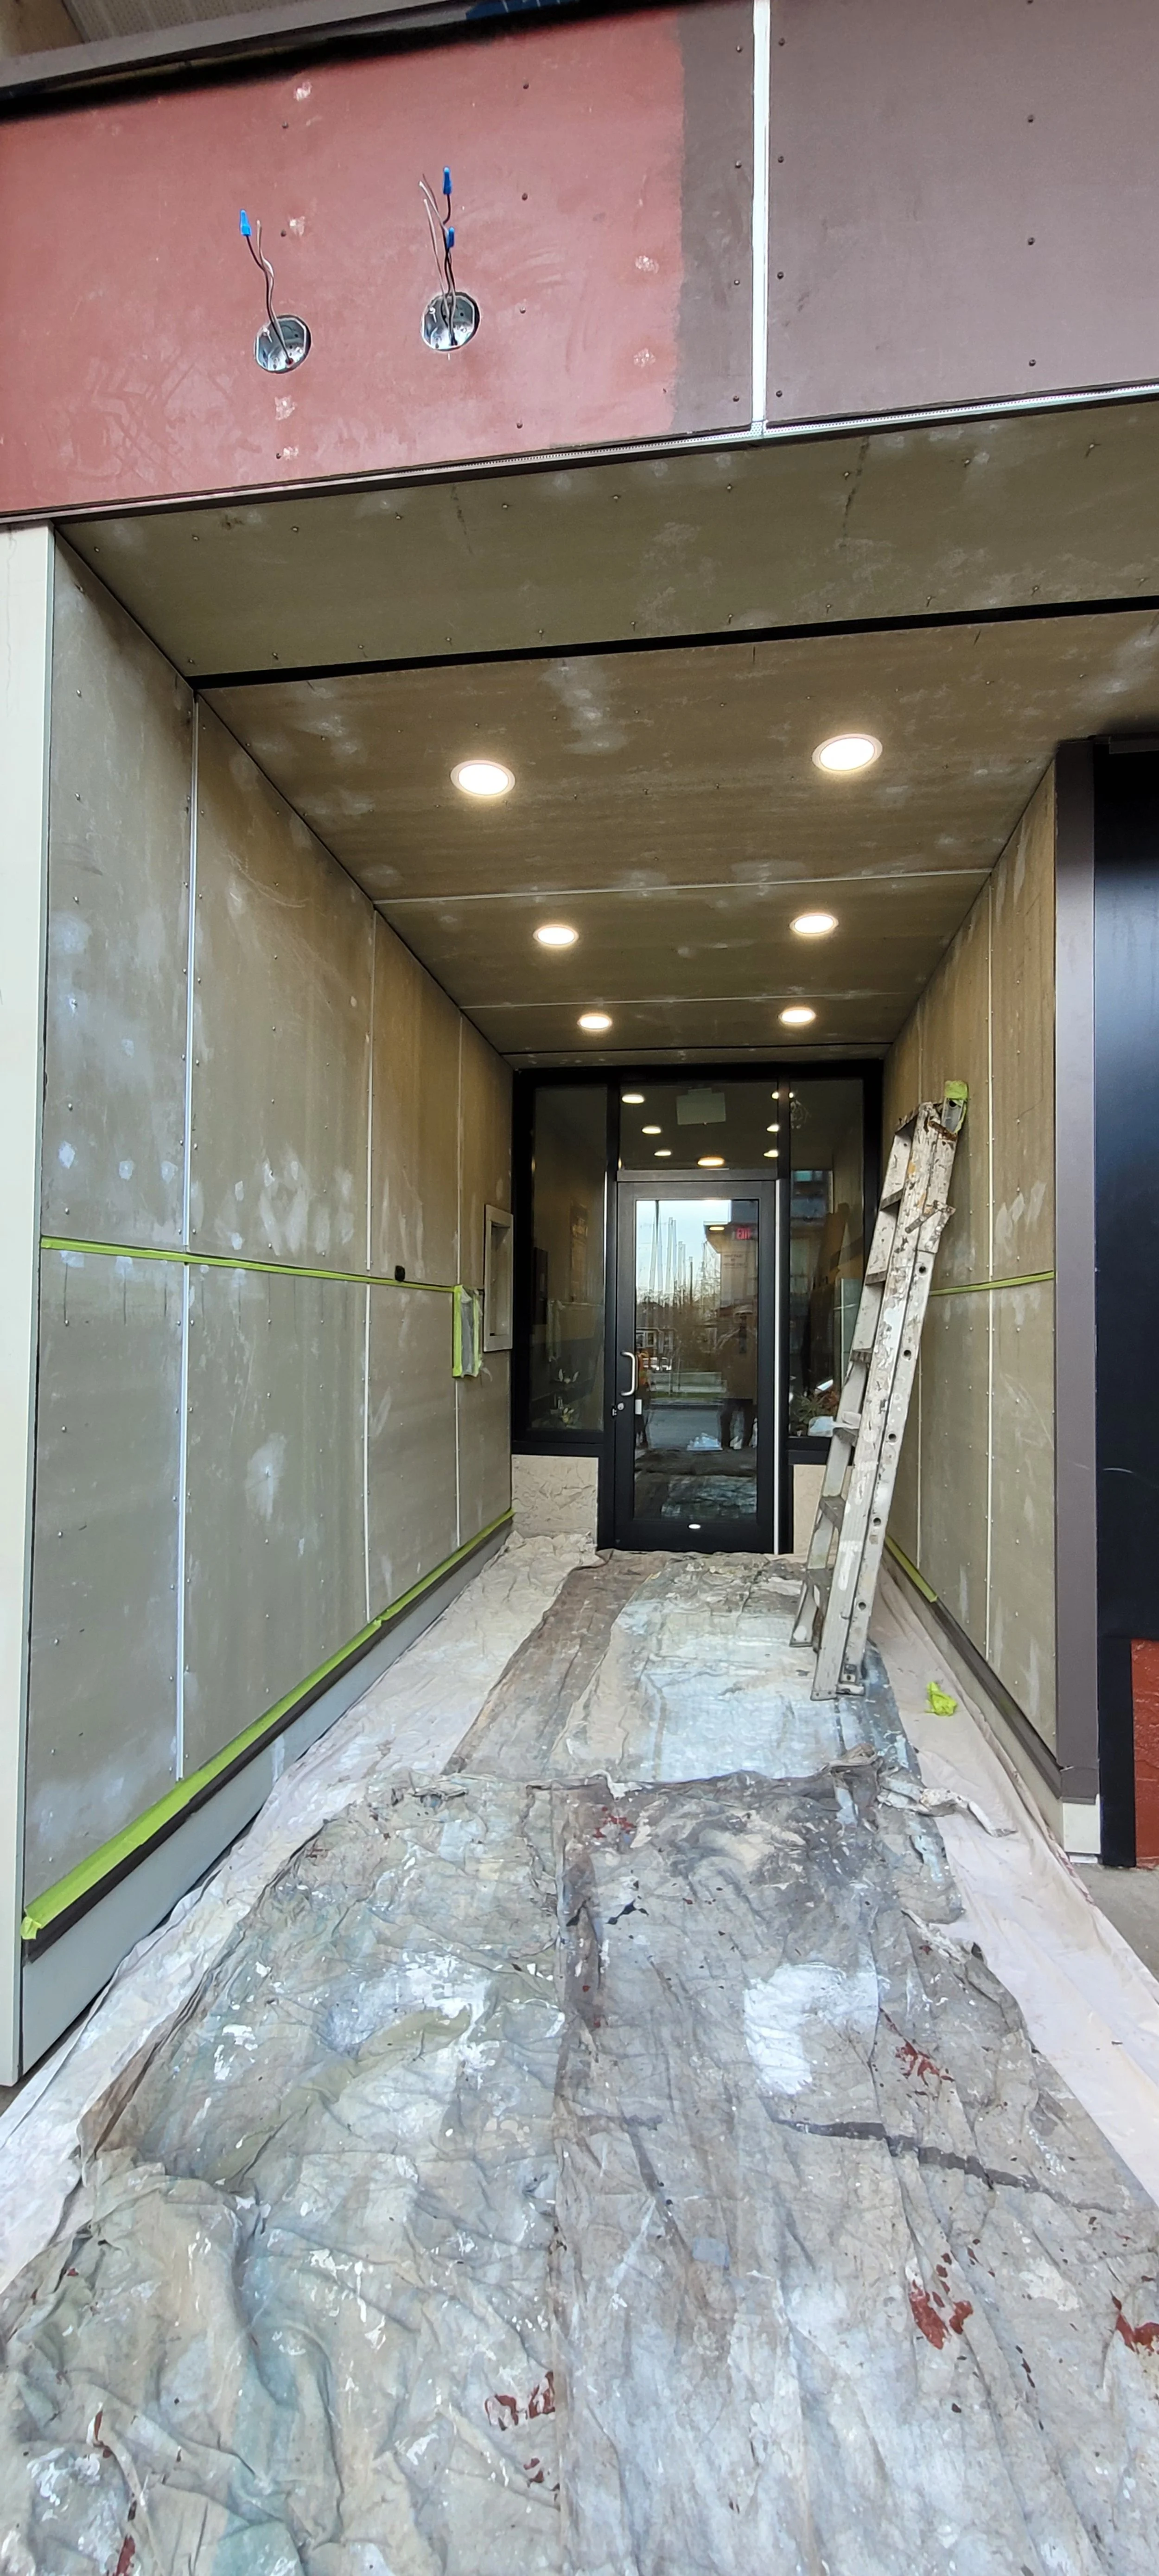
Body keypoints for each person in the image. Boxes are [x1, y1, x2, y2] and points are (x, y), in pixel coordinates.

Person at [718, 1308, 757, 1450]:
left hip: (751, 1386)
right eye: (739, 1317)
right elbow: (719, 1358)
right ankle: (725, 1446)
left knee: (749, 1420)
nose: (742, 1321)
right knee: (726, 1416)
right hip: (734, 1386)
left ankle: (746, 1446)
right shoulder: (728, 1340)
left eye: (745, 1317)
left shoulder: (757, 1339)